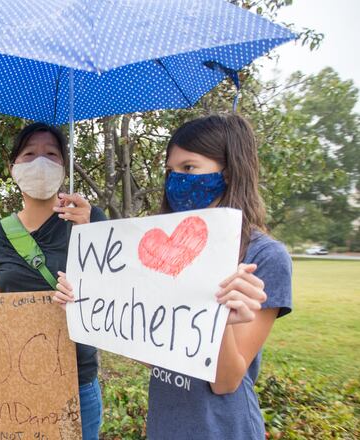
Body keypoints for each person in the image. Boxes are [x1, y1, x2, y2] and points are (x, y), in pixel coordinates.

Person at [55, 114, 292, 439]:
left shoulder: (265, 257)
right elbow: (152, 351)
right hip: (166, 424)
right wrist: (88, 298)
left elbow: (225, 381)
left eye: (189, 168)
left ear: (230, 171)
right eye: (170, 170)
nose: (175, 180)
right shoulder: (165, 253)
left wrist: (219, 318)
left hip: (223, 429)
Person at [0, 122, 107, 439]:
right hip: (15, 381)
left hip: (78, 380)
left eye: (51, 154)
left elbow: (116, 298)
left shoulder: (90, 219)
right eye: (29, 154)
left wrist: (92, 235)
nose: (40, 162)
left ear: (64, 167)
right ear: (12, 167)